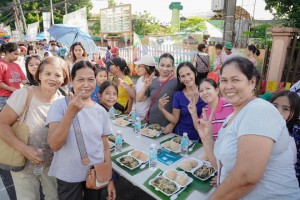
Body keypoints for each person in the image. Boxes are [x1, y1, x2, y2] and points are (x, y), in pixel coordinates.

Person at [198, 56, 300, 199]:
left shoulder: (259, 110)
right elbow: (222, 166)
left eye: (235, 79)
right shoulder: (231, 118)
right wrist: (207, 138)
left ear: (252, 82)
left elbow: (246, 177)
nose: (228, 86)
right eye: (224, 80)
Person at [0, 56, 70, 200]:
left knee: (54, 197)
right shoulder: (24, 94)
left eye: (58, 75)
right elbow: (2, 124)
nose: (52, 78)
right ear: (39, 75)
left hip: (52, 166)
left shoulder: (64, 101)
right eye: (47, 73)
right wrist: (24, 149)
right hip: (22, 164)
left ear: (64, 79)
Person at [46, 60, 116, 200]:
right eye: (80, 79)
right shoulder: (59, 106)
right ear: (71, 81)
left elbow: (105, 147)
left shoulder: (100, 111)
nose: (86, 84)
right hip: (69, 175)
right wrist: (71, 112)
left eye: (90, 79)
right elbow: (54, 144)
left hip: (96, 171)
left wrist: (109, 178)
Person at [158, 62, 206, 141]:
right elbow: (175, 119)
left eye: (188, 74)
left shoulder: (205, 92)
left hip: (202, 137)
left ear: (195, 73)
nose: (187, 78)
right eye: (183, 76)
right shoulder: (178, 95)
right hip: (181, 137)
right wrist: (161, 108)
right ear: (180, 79)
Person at [136, 53, 177, 133]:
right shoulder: (153, 81)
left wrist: (172, 125)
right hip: (151, 123)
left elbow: (181, 107)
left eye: (168, 66)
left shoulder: (176, 82)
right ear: (158, 66)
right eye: (162, 65)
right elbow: (139, 99)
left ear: (172, 67)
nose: (165, 69)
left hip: (166, 126)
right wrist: (145, 86)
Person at [270, 90, 300, 186]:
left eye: (285, 109)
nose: (278, 112)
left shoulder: (291, 140)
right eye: (275, 106)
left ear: (293, 113)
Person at [0, 42, 27, 111]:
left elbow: (24, 80)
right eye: (15, 54)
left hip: (17, 96)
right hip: (4, 97)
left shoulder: (16, 65)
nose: (17, 56)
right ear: (7, 52)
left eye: (18, 54)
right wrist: (14, 90)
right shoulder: (1, 64)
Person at [133, 55, 158, 120]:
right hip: (137, 115)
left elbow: (139, 99)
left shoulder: (154, 81)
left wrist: (145, 86)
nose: (137, 69)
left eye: (139, 66)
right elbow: (135, 97)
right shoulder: (140, 79)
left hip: (146, 117)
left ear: (147, 68)